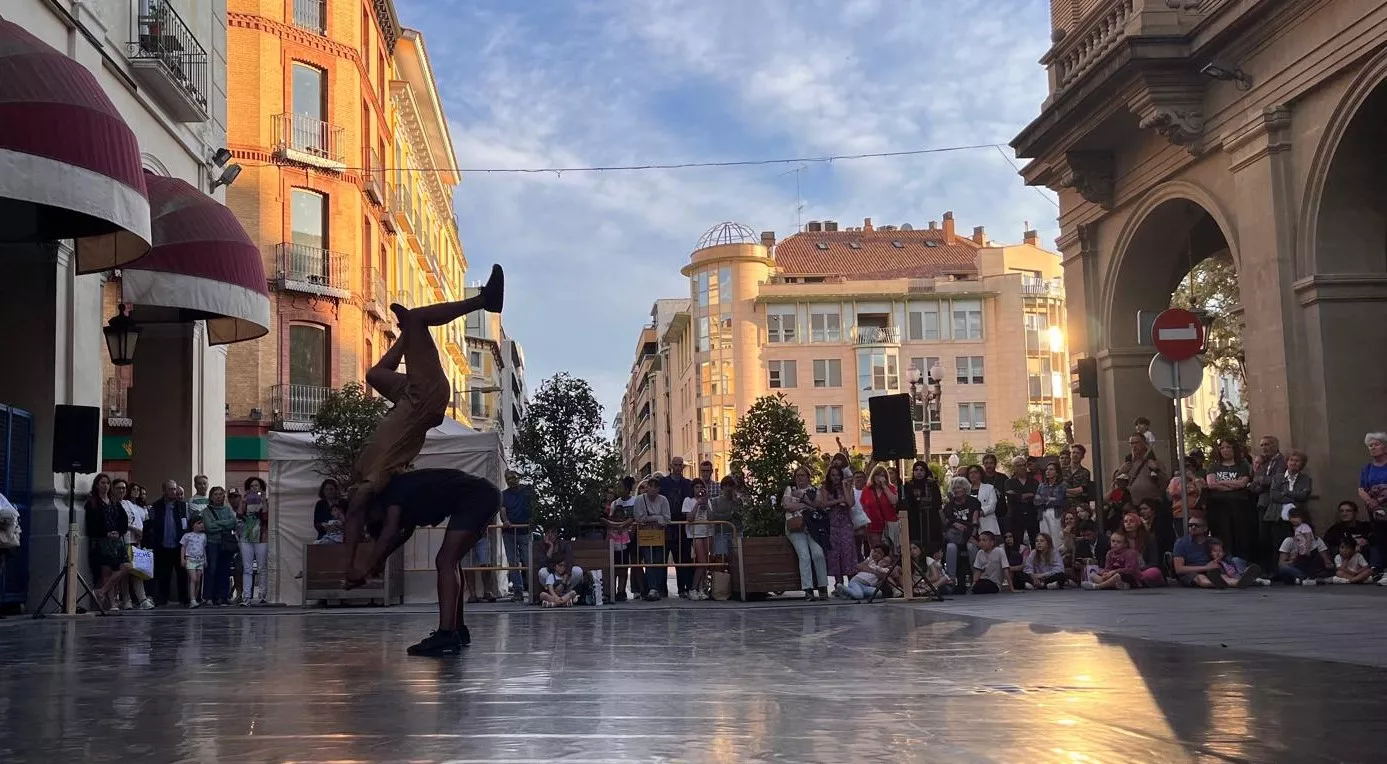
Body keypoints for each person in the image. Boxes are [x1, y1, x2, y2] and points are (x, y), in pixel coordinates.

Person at [341, 266, 505, 581]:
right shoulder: (375, 483)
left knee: (374, 375)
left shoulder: (369, 477)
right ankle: (485, 301)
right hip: (422, 400)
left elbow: (373, 526)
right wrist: (356, 566)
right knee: (418, 318)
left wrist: (359, 565)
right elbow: (375, 525)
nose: (353, 504)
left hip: (407, 399)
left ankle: (407, 332)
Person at [348, 467, 503, 656]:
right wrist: (379, 561)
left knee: (445, 561)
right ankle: (457, 630)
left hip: (477, 497)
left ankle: (446, 635)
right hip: (484, 495)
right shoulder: (405, 495)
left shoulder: (392, 494)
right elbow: (403, 534)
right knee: (451, 561)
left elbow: (389, 533)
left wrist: (364, 569)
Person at [1173, 517, 1260, 589]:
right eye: (1190, 525)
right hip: (1192, 571)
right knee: (1201, 580)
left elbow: (1224, 555)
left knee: (1223, 576)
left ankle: (1238, 582)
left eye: (1197, 525)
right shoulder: (1181, 543)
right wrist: (1205, 568)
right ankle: (1233, 583)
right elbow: (1179, 569)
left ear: (1205, 528)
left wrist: (1218, 559)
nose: (1193, 527)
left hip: (1212, 570)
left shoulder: (1212, 542)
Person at [1204, 439, 1255, 563]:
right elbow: (1211, 485)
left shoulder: (1242, 465)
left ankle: (1241, 563)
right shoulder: (1214, 466)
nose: (1225, 450)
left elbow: (1242, 483)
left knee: (1240, 535)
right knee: (1222, 535)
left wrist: (1221, 482)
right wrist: (1232, 485)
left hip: (1239, 506)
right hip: (1218, 507)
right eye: (1222, 448)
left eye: (1228, 447)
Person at [783, 466, 829, 601]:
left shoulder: (815, 490)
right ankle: (808, 588)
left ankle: (822, 586)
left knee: (818, 554)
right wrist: (806, 505)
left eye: (803, 475)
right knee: (804, 555)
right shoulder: (790, 490)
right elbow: (787, 506)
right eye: (797, 476)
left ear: (809, 477)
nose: (800, 478)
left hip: (813, 527)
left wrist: (802, 498)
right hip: (796, 527)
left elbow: (820, 505)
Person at [143, 480, 189, 606]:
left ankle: (184, 598)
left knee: (182, 573)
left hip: (179, 546)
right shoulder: (156, 506)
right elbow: (150, 523)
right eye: (170, 489)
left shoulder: (182, 506)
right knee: (163, 574)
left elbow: (187, 525)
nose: (173, 492)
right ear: (164, 491)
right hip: (162, 545)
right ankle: (162, 598)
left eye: (174, 489)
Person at [111, 478, 154, 610]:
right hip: (122, 541)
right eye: (119, 488)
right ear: (113, 489)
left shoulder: (128, 503)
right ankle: (126, 599)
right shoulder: (112, 504)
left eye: (124, 488)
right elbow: (121, 523)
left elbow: (138, 521)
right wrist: (133, 529)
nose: (122, 490)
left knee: (137, 570)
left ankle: (142, 598)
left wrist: (140, 532)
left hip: (135, 541)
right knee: (124, 572)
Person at [1249, 435, 1287, 568]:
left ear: (1275, 445)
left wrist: (1261, 480)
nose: (1264, 448)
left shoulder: (1283, 461)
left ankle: (1277, 568)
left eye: (1267, 444)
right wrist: (1260, 481)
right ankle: (1265, 568)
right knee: (1263, 538)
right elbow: (1253, 483)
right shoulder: (1263, 462)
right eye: (1262, 445)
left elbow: (1276, 481)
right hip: (1263, 503)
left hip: (1276, 504)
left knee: (1276, 538)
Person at [659, 457, 694, 598]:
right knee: (662, 558)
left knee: (683, 558)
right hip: (667, 525)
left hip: (683, 525)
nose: (678, 467)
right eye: (676, 465)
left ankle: (683, 588)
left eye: (680, 465)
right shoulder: (663, 483)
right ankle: (662, 589)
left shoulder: (688, 484)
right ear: (671, 466)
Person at [632, 477, 671, 601]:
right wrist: (656, 518)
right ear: (647, 487)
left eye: (656, 487)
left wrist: (651, 519)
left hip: (659, 535)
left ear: (659, 489)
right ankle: (651, 588)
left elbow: (666, 519)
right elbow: (639, 518)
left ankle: (657, 588)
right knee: (649, 560)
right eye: (651, 486)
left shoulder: (663, 500)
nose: (653, 489)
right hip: (645, 535)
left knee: (659, 560)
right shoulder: (639, 500)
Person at [1273, 508, 1332, 585]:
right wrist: (1293, 560)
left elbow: (1326, 560)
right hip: (1295, 568)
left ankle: (1307, 579)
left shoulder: (1316, 540)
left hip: (1311, 567)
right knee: (1284, 569)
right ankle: (1303, 578)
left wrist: (1329, 564)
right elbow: (1281, 563)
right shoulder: (1289, 540)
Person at [820, 465, 857, 588]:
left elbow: (850, 502)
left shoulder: (846, 487)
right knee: (834, 553)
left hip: (846, 524)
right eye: (833, 475)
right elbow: (824, 503)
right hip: (832, 524)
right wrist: (838, 501)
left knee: (848, 551)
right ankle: (838, 581)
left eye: (838, 475)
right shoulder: (825, 488)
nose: (835, 478)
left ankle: (851, 580)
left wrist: (845, 487)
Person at [940, 476, 980, 587]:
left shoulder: (973, 502)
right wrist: (954, 524)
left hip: (970, 533)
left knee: (971, 547)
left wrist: (972, 534)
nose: (956, 490)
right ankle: (951, 578)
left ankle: (975, 577)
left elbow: (975, 521)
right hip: (955, 536)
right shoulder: (949, 505)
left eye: (958, 488)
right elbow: (947, 521)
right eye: (954, 488)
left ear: (965, 489)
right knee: (950, 547)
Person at [500, 470, 533, 601]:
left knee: (528, 560)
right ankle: (518, 591)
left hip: (524, 531)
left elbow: (533, 506)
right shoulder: (504, 495)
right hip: (509, 532)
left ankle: (532, 588)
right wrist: (505, 520)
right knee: (513, 562)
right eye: (508, 478)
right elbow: (502, 510)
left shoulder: (527, 490)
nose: (511, 480)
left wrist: (532, 520)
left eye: (513, 477)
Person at [201, 487, 237, 607]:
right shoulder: (207, 511)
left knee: (225, 570)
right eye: (215, 494)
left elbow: (233, 523)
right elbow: (209, 527)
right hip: (212, 543)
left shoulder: (227, 510)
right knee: (212, 569)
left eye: (220, 494)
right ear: (211, 497)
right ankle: (209, 597)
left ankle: (223, 597)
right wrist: (224, 526)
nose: (218, 496)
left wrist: (217, 524)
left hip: (225, 544)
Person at [236, 482, 269, 606]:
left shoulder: (265, 501)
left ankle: (262, 595)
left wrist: (264, 501)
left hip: (261, 536)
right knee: (247, 568)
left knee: (262, 567)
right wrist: (243, 501)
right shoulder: (246, 501)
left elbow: (266, 517)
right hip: (246, 536)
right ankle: (247, 597)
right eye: (251, 486)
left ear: (261, 488)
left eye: (257, 486)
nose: (254, 488)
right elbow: (239, 515)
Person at [1357, 432, 1387, 569]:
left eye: (1376, 444)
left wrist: (1382, 497)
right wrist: (1370, 501)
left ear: (1384, 447)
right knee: (1380, 538)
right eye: (1370, 446)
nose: (1373, 447)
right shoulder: (1367, 468)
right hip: (1375, 510)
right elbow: (1361, 489)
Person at [605, 477, 636, 602]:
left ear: (627, 489)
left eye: (621, 487)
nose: (619, 489)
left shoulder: (635, 501)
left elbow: (635, 517)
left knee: (624, 566)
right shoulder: (615, 503)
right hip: (616, 538)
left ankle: (621, 590)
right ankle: (612, 590)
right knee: (614, 565)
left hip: (630, 538)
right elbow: (611, 519)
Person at [1116, 433, 1167, 507]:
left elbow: (1165, 483)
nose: (1134, 446)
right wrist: (1120, 472)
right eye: (1131, 443)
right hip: (1134, 505)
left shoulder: (1156, 462)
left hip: (1152, 505)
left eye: (1136, 443)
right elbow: (1117, 485)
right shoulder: (1129, 464)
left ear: (1144, 444)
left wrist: (1156, 469)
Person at [685, 478, 715, 600]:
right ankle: (693, 588)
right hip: (695, 534)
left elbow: (712, 518)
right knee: (701, 561)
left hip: (707, 532)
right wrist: (697, 503)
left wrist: (706, 502)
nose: (698, 490)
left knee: (705, 562)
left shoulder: (708, 501)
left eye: (700, 488)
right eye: (696, 487)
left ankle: (702, 588)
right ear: (692, 489)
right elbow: (690, 518)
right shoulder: (688, 501)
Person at [901, 460, 942, 546]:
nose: (918, 472)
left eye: (921, 470)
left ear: (925, 471)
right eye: (916, 470)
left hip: (930, 519)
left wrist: (920, 502)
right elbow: (907, 503)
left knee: (931, 544)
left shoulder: (932, 484)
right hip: (914, 520)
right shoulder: (909, 485)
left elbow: (937, 502)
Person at [860, 465, 898, 551]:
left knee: (890, 550)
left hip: (889, 524)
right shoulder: (867, 490)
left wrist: (885, 486)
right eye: (877, 475)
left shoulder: (890, 488)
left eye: (882, 475)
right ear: (873, 476)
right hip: (873, 526)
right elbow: (863, 506)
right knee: (876, 551)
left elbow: (894, 501)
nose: (880, 478)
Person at [1004, 456, 1039, 547]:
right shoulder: (1009, 482)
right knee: (1017, 541)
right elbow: (1011, 496)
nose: (1022, 467)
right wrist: (1026, 495)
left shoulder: (1034, 481)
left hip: (1032, 515)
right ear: (1014, 468)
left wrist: (1019, 495)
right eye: (1019, 465)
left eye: (1024, 465)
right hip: (1016, 515)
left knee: (1035, 540)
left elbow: (1036, 496)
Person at [1036, 462, 1067, 543]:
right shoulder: (1041, 486)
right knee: (1044, 537)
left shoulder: (1061, 485)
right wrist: (1049, 499)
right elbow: (1036, 500)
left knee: (1056, 537)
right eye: (1047, 469)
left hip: (1056, 512)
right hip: (1043, 512)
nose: (1048, 471)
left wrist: (1044, 499)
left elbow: (1059, 500)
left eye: (1051, 469)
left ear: (1056, 473)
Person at [966, 464, 1000, 537]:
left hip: (986, 522)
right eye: (970, 473)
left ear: (980, 474)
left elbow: (992, 506)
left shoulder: (989, 488)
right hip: (969, 525)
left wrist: (978, 513)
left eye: (975, 472)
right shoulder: (965, 490)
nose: (972, 474)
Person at [180, 517, 207, 608]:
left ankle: (194, 599)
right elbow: (183, 547)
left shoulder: (203, 536)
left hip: (200, 559)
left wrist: (205, 560)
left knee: (198, 580)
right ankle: (192, 599)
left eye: (202, 523)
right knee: (193, 578)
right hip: (190, 558)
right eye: (199, 523)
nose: (202, 525)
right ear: (193, 525)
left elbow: (203, 548)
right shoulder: (187, 535)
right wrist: (182, 559)